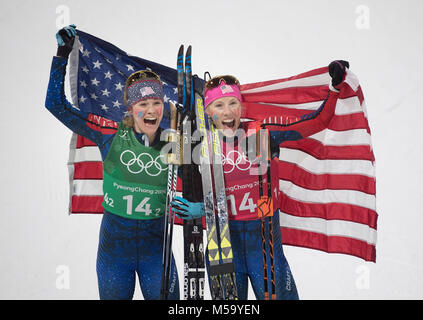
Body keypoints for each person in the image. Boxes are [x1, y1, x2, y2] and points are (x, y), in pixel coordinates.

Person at [171, 61, 348, 300]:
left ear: (241, 107)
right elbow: (191, 185)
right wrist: (197, 208)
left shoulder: (261, 134)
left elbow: (315, 123)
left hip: (265, 248)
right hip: (224, 247)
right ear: (209, 112)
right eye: (219, 105)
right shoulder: (200, 146)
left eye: (233, 103)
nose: (227, 111)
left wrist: (335, 88)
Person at [45, 24, 179, 300]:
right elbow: (55, 105)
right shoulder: (108, 132)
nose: (151, 110)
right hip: (114, 255)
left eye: (156, 102)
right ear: (130, 108)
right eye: (143, 104)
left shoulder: (176, 138)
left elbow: (217, 157)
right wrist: (61, 55)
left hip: (158, 255)